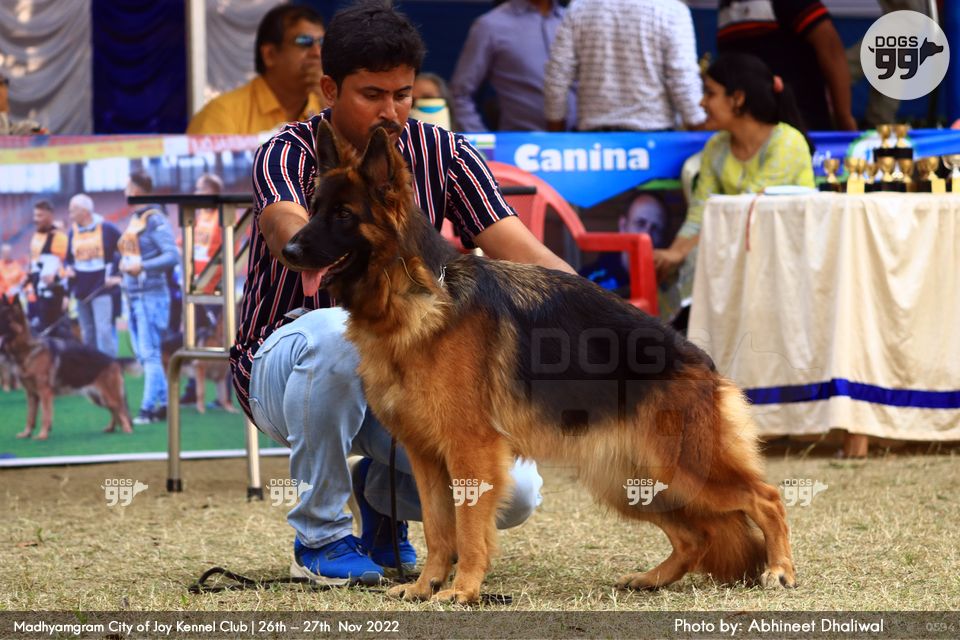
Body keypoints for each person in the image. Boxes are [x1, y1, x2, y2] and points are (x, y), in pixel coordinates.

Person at [231, 0, 573, 586]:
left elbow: (527, 255)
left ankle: (380, 497)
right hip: (288, 369)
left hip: (405, 381)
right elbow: (284, 223)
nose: (391, 112)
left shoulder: (445, 153)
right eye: (372, 95)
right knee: (337, 335)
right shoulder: (288, 150)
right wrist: (329, 237)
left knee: (514, 494)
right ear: (330, 89)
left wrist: (610, 321)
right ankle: (320, 537)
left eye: (403, 94)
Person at [654, 53, 815, 325]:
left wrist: (680, 254)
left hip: (783, 260)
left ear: (738, 98)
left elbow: (744, 211)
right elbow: (699, 215)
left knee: (698, 261)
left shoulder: (787, 142)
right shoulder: (716, 147)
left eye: (710, 93)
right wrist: (671, 255)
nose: (701, 103)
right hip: (730, 253)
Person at [543, 0, 706, 132]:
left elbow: (557, 77)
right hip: (655, 140)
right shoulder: (672, 11)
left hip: (594, 143)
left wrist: (557, 138)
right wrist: (702, 135)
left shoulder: (579, 8)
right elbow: (683, 82)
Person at [717, 0, 856, 131]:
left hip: (800, 125)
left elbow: (831, 50)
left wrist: (844, 118)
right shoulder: (726, 5)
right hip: (748, 130)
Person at [187, 4, 326, 135]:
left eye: (322, 43)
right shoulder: (222, 114)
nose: (317, 52)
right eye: (304, 42)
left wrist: (328, 106)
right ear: (269, 55)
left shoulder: (324, 106)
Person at [450, 0, 573, 132]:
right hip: (521, 141)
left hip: (582, 140)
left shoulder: (573, 20)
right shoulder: (490, 26)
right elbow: (459, 94)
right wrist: (482, 141)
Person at [118, 171, 179, 425]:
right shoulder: (136, 218)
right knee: (146, 355)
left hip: (151, 295)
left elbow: (172, 255)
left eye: (127, 187)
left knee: (150, 353)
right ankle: (164, 405)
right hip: (135, 295)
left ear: (136, 190)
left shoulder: (154, 219)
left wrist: (142, 265)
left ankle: (146, 409)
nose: (124, 191)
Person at [64, 194, 122, 357]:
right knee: (87, 333)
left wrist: (119, 277)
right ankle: (92, 368)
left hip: (102, 289)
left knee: (103, 331)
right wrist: (68, 268)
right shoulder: (72, 232)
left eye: (72, 211)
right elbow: (68, 259)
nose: (70, 215)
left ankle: (110, 367)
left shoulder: (107, 229)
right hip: (81, 292)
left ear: (84, 212)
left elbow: (128, 251)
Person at [580, 194, 669, 297]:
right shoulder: (589, 282)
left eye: (656, 229)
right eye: (640, 224)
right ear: (623, 225)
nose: (647, 234)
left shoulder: (669, 285)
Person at [25, 200, 68, 337]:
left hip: (54, 295)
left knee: (58, 331)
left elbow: (66, 266)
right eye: (35, 215)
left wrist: (65, 295)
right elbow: (33, 263)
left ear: (50, 215)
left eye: (40, 215)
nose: (36, 219)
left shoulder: (59, 238)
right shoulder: (36, 237)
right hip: (38, 293)